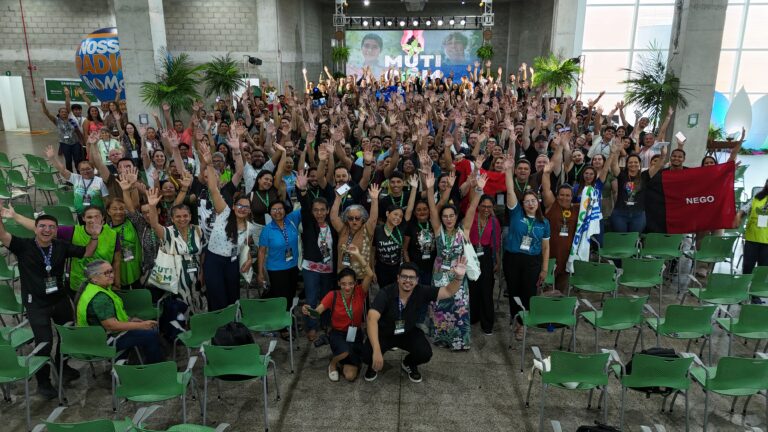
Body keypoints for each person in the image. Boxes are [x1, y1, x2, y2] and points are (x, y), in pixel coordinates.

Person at [0, 205, 100, 399]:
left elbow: (87, 252)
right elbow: (3, 235)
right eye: (43, 226)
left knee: (68, 335)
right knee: (44, 342)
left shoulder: (61, 246)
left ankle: (63, 367)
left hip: (59, 299)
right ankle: (43, 382)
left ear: (55, 230)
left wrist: (95, 236)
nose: (47, 230)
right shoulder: (23, 245)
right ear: (36, 228)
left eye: (51, 227)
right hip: (37, 304)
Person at [362, 258, 468, 383]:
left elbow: (448, 291)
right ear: (398, 278)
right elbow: (371, 318)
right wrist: (376, 350)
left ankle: (409, 363)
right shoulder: (385, 293)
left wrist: (458, 277)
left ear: (417, 280)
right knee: (367, 355)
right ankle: (373, 364)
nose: (408, 280)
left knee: (425, 353)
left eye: (411, 277)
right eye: (404, 277)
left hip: (407, 331)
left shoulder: (421, 291)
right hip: (385, 333)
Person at [425, 171, 485, 350]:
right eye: (445, 216)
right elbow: (432, 210)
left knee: (459, 306)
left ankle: (459, 341)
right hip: (439, 273)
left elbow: (472, 209)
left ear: (456, 216)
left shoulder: (463, 230)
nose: (448, 219)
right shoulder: (438, 230)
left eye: (451, 216)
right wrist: (429, 189)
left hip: (458, 273)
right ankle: (441, 338)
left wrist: (479, 190)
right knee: (439, 306)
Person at [302, 245, 372, 382]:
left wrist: (358, 255)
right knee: (344, 351)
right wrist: (308, 311)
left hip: (355, 333)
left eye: (351, 283)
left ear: (355, 283)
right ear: (339, 283)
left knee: (350, 376)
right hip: (338, 334)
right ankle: (333, 363)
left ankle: (342, 360)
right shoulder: (332, 295)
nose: (347, 287)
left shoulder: (360, 292)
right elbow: (317, 312)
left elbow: (370, 274)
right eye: (344, 284)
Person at [75, 260, 163, 363]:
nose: (112, 275)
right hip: (102, 341)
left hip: (91, 336)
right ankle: (155, 367)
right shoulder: (100, 298)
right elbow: (111, 326)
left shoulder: (90, 287)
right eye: (106, 273)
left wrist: (130, 320)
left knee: (144, 331)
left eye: (111, 271)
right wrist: (141, 325)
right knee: (151, 335)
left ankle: (122, 361)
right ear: (94, 278)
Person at [503, 152, 551, 342]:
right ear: (522, 204)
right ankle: (515, 318)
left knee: (528, 292)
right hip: (513, 259)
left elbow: (546, 248)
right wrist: (508, 170)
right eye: (527, 201)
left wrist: (544, 269)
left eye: (533, 201)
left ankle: (522, 325)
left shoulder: (544, 223)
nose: (530, 204)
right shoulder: (516, 214)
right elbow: (509, 190)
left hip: (533, 261)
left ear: (538, 202)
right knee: (513, 291)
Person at [201, 145, 255, 310]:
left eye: (246, 207)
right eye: (240, 205)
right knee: (217, 297)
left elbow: (246, 246)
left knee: (232, 297)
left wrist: (249, 259)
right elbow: (213, 189)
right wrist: (209, 164)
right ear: (233, 206)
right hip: (214, 261)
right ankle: (218, 325)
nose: (242, 209)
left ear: (249, 210)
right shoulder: (224, 212)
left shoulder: (249, 227)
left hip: (232, 262)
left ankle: (232, 323)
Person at [147, 188, 206, 313]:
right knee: (179, 310)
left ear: (190, 216)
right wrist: (152, 207)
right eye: (178, 216)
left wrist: (202, 273)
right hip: (176, 279)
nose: (182, 219)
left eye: (185, 216)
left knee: (198, 305)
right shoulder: (167, 232)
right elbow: (154, 224)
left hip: (196, 277)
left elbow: (202, 253)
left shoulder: (198, 230)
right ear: (172, 219)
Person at [296, 170, 337, 342]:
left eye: (322, 210)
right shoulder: (308, 223)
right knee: (311, 299)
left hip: (328, 269)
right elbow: (305, 206)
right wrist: (303, 190)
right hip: (311, 269)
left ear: (327, 211)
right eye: (316, 210)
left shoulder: (333, 225)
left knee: (327, 297)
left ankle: (326, 323)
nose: (319, 213)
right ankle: (311, 326)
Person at [258, 200, 302, 339]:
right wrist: (260, 272)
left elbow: (305, 207)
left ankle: (289, 320)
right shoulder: (267, 230)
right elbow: (261, 252)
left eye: (280, 208)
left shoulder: (291, 220)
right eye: (274, 209)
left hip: (293, 266)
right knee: (281, 298)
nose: (278, 212)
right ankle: (282, 327)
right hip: (276, 269)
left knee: (290, 295)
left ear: (285, 210)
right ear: (270, 213)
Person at [467, 194, 502, 335]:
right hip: (471, 253)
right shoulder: (472, 218)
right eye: (483, 206)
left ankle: (487, 323)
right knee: (472, 288)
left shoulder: (494, 222)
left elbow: (496, 243)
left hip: (486, 256)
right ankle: (472, 317)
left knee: (486, 290)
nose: (486, 209)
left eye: (489, 207)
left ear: (493, 208)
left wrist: (497, 261)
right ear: (478, 206)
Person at [330, 185, 381, 280]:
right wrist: (338, 198)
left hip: (362, 277)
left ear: (363, 218)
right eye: (350, 218)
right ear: (346, 219)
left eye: (357, 218)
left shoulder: (367, 229)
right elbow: (333, 218)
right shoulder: (343, 229)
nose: (354, 221)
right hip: (344, 278)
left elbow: (373, 218)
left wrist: (374, 199)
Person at [45, 145, 109, 216]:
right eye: (82, 170)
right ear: (79, 171)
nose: (85, 171)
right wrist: (53, 158)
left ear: (93, 169)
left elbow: (106, 199)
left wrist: (106, 214)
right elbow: (62, 171)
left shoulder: (99, 181)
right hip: (81, 214)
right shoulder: (76, 178)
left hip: (96, 214)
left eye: (88, 169)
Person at [737, 179, 768, 278]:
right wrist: (739, 215)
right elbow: (744, 209)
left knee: (762, 271)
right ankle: (744, 286)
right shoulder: (757, 197)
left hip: (766, 242)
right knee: (747, 268)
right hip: (752, 238)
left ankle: (757, 288)